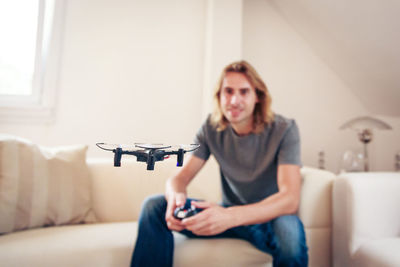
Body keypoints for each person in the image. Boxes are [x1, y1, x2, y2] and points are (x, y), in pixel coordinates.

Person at [131, 60, 308, 267]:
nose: (234, 100)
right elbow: (179, 178)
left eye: (244, 92)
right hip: (227, 215)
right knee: (155, 206)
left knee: (291, 238)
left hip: (269, 218)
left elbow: (289, 199)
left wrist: (232, 216)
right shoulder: (210, 128)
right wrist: (175, 197)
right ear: (219, 96)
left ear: (257, 96)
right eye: (228, 91)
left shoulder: (284, 129)